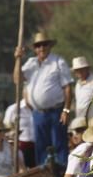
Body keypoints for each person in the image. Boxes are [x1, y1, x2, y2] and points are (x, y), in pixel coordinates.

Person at [15, 31, 73, 168]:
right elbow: (17, 79)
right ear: (35, 48)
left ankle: (62, 173)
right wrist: (18, 59)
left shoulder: (58, 62)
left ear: (49, 46)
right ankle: (44, 174)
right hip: (38, 112)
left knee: (59, 145)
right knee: (41, 147)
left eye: (44, 45)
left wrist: (66, 110)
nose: (41, 48)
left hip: (56, 111)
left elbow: (68, 88)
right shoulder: (30, 63)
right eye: (38, 45)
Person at [4, 98, 36, 168]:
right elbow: (6, 130)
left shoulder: (39, 108)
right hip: (20, 147)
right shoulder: (13, 109)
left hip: (37, 147)